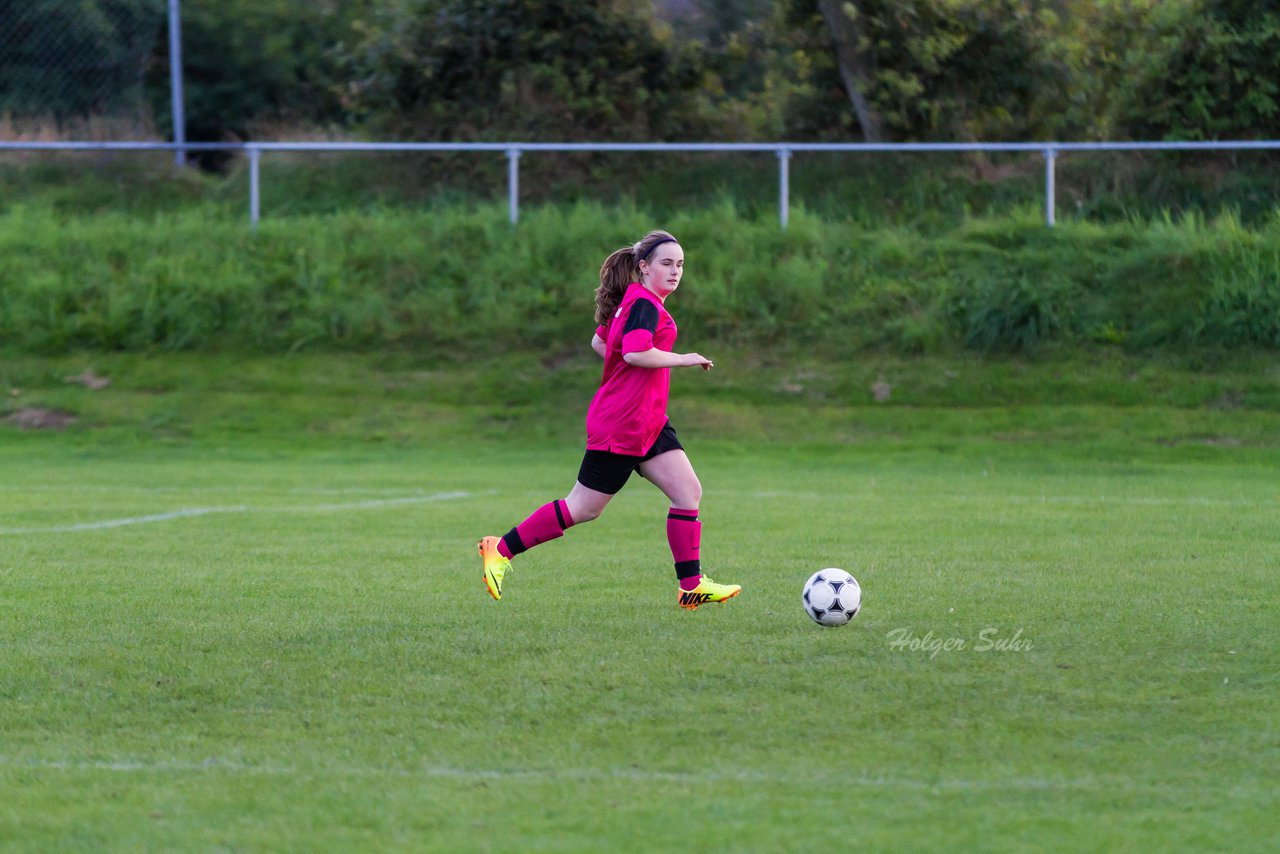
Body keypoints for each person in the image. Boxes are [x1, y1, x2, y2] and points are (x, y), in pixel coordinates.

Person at [477, 229, 742, 610]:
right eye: (666, 263)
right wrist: (684, 358)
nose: (675, 272)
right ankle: (499, 549)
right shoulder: (644, 305)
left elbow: (601, 343)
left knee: (688, 492)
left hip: (647, 422)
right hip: (621, 424)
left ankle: (691, 585)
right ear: (643, 267)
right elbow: (634, 353)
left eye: (680, 265)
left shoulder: (635, 301)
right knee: (582, 508)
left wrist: (628, 375)